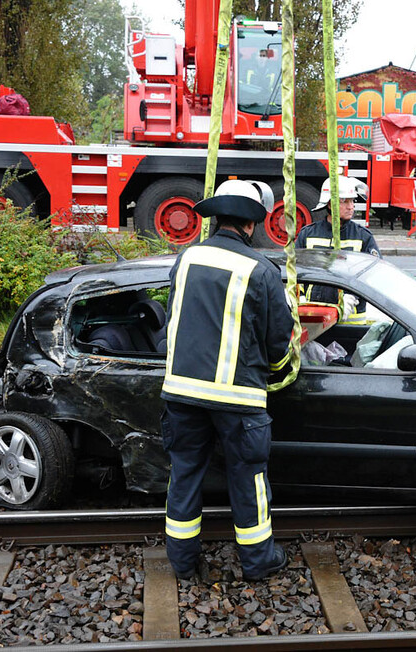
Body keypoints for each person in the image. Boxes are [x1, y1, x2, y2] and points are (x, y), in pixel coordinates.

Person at [161, 179, 294, 581]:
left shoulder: (186, 259)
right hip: (239, 400)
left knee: (183, 474)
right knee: (248, 479)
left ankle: (182, 563)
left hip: (181, 393)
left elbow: (174, 317)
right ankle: (258, 562)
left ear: (216, 219)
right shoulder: (262, 270)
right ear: (251, 225)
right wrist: (277, 368)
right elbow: (277, 340)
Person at [296, 176, 379, 323]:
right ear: (329, 204)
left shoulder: (363, 237)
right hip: (314, 315)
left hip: (352, 319)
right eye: (344, 201)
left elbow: (374, 274)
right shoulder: (307, 234)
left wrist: (353, 296)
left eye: (352, 201)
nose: (351, 206)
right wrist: (299, 296)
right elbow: (295, 270)